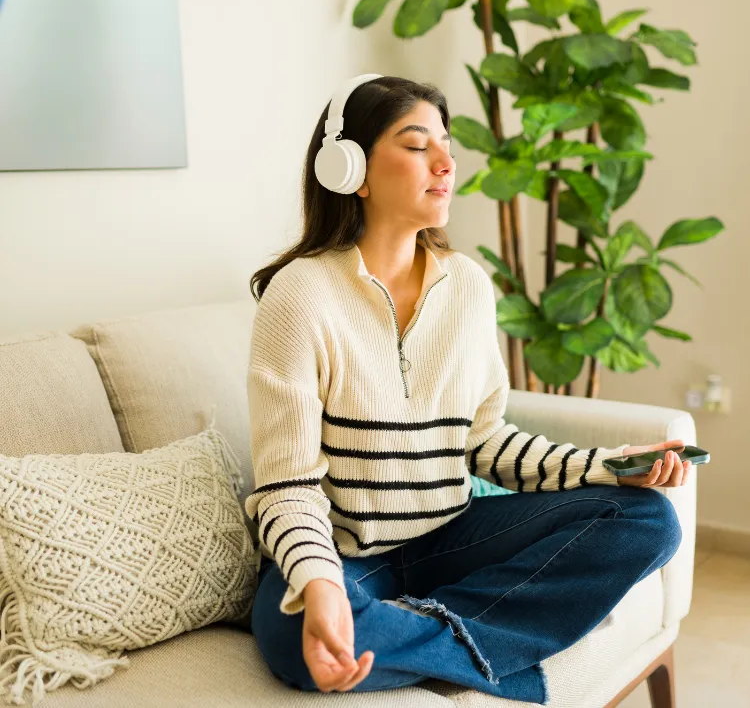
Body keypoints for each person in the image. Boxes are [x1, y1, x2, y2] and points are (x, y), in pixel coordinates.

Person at [245, 75, 688, 704]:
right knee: (294, 638)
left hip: (454, 538)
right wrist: (320, 589)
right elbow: (286, 486)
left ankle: (419, 632)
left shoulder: (469, 287)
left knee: (647, 520)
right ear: (351, 170)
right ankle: (489, 642)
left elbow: (485, 442)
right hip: (346, 555)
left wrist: (607, 468)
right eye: (417, 145)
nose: (446, 163)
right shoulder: (301, 296)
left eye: (446, 145)